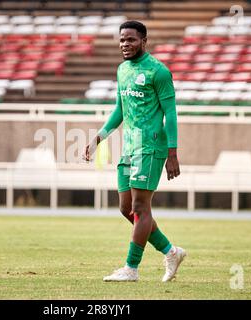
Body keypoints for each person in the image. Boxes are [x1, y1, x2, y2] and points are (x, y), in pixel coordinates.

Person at [83, 20, 186, 282]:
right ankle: (170, 251)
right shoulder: (122, 70)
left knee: (141, 207)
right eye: (121, 40)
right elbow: (119, 110)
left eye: (131, 39)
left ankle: (131, 268)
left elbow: (171, 114)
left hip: (151, 147)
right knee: (126, 207)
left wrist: (172, 153)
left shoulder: (158, 72)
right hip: (129, 147)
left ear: (144, 41)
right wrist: (99, 138)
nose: (125, 44)